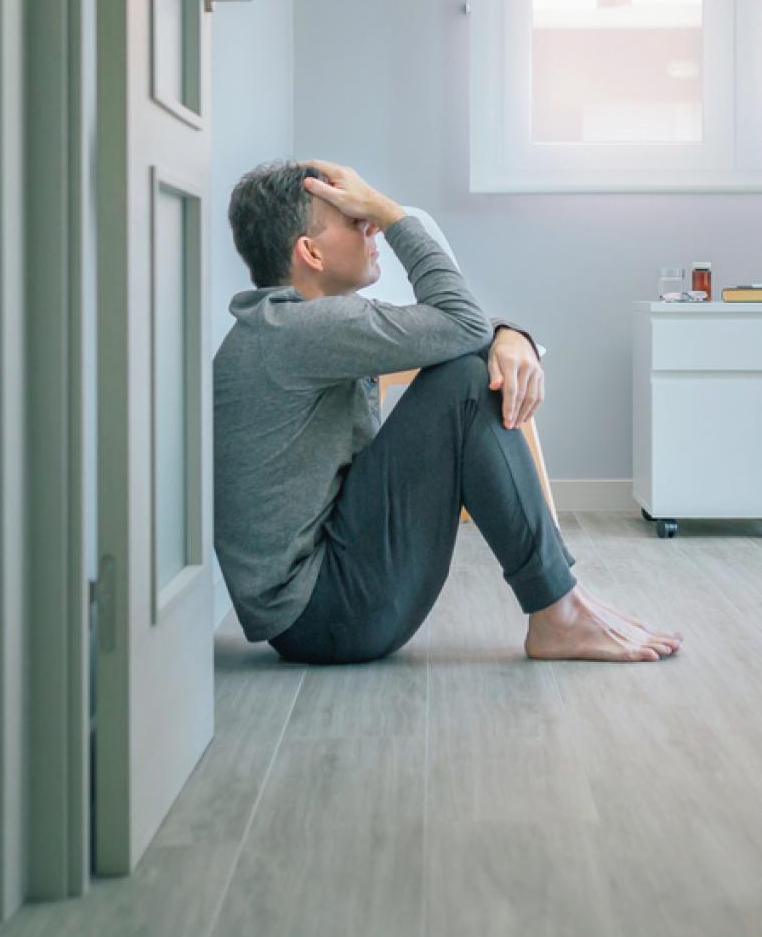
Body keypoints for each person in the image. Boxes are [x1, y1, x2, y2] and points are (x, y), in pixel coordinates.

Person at [213, 158, 683, 665]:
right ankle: (557, 607)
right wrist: (392, 213)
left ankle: (562, 601)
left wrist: (508, 335)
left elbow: (450, 330)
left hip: (325, 605)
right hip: (327, 615)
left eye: (368, 216)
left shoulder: (290, 326)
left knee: (464, 368)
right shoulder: (303, 331)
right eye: (354, 219)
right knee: (464, 382)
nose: (369, 227)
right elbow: (459, 326)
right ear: (310, 253)